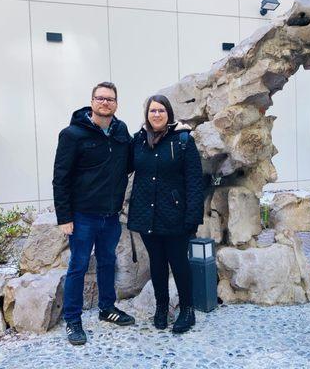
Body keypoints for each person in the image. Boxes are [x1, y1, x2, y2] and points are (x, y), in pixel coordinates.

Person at [53, 81, 135, 346]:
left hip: (111, 215)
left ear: (116, 104)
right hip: (82, 216)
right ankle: (73, 319)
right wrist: (64, 217)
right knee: (77, 266)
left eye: (110, 99)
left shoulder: (121, 132)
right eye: (100, 98)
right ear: (92, 102)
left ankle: (106, 308)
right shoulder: (72, 134)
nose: (105, 103)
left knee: (107, 262)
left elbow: (136, 158)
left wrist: (170, 131)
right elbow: (60, 179)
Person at [127, 94, 204, 333]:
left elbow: (194, 182)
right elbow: (124, 167)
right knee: (157, 263)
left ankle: (187, 310)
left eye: (161, 110)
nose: (157, 115)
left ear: (168, 113)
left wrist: (192, 217)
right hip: (146, 215)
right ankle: (161, 308)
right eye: (152, 111)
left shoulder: (182, 141)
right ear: (147, 115)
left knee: (179, 262)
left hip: (175, 216)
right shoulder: (138, 141)